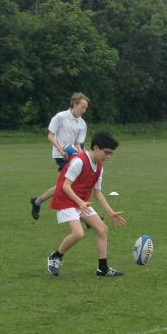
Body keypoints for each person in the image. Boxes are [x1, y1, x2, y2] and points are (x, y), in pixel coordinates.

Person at [45, 131, 127, 277]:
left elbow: (98, 192)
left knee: (102, 229)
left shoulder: (100, 166)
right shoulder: (80, 161)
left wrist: (111, 212)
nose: (108, 157)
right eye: (106, 153)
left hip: (81, 202)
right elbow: (65, 186)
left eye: (111, 154)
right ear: (96, 148)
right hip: (65, 200)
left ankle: (103, 269)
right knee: (78, 233)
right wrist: (80, 202)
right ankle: (56, 256)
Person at [31, 92, 89, 219]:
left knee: (65, 185)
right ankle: (85, 216)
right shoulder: (60, 117)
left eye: (86, 108)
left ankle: (37, 202)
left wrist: (79, 151)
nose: (84, 110)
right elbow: (50, 136)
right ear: (74, 104)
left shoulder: (82, 124)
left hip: (74, 157)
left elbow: (79, 144)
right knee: (71, 184)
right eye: (82, 107)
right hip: (60, 155)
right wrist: (61, 150)